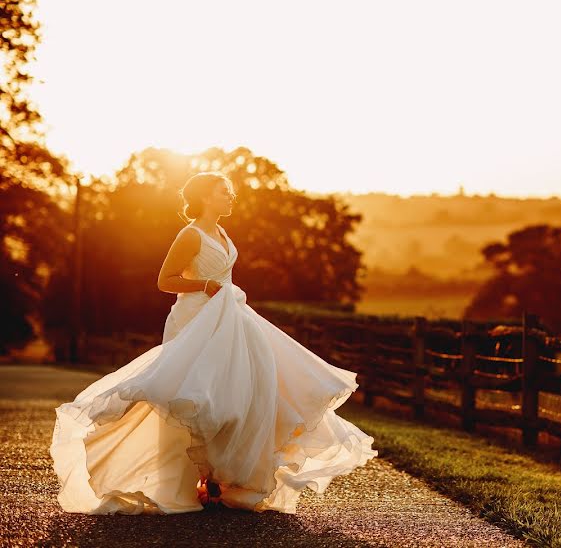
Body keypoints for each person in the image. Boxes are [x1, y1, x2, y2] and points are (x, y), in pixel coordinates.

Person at [49, 171, 377, 514]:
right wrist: (205, 286)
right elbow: (165, 281)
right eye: (224, 192)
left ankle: (220, 478)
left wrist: (222, 293)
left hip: (230, 318)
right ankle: (180, 481)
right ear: (206, 197)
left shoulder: (221, 231)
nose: (230, 198)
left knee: (241, 391)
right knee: (194, 397)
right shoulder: (190, 235)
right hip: (196, 321)